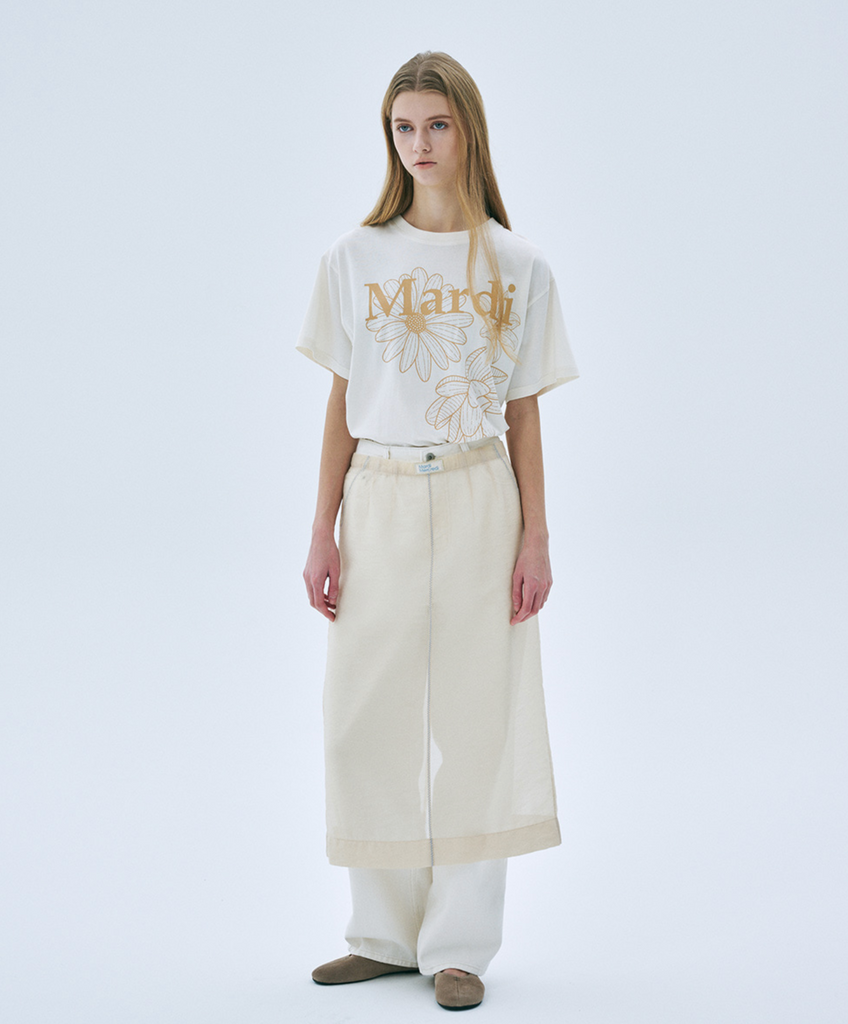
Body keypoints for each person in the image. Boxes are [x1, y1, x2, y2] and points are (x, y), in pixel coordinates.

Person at [296, 50, 579, 1011]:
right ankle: (380, 935)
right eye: (403, 127)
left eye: (437, 125)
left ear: (468, 131)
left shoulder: (517, 263)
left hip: (476, 496)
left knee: (474, 717)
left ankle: (457, 945)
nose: (419, 144)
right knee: (362, 716)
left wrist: (535, 538)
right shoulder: (353, 258)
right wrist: (322, 529)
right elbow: (341, 402)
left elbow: (524, 413)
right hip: (376, 496)